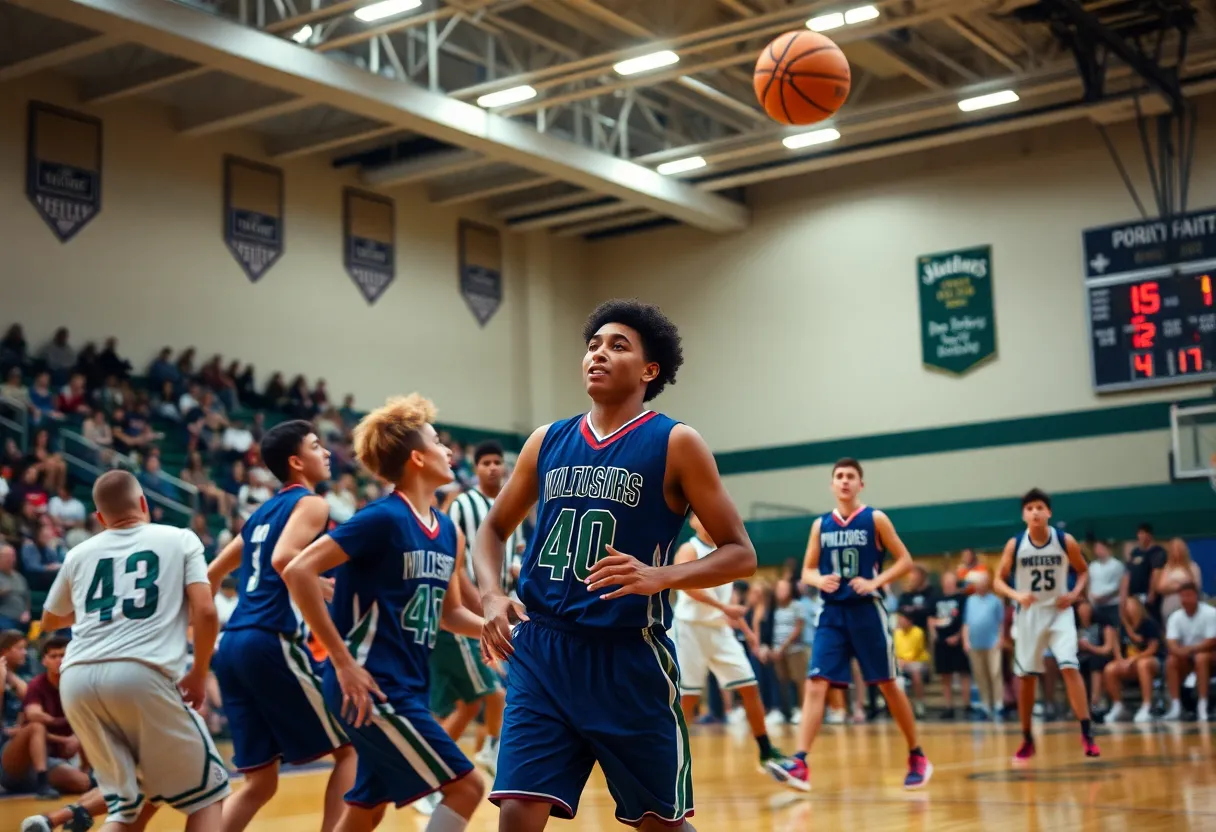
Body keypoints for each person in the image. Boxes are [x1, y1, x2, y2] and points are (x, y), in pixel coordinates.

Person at [476, 300, 758, 831]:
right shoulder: (547, 440)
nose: (598, 354)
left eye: (617, 346)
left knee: (660, 824)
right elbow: (491, 530)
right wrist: (491, 594)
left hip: (628, 657)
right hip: (543, 648)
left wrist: (662, 575)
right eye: (592, 345)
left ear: (651, 370)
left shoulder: (676, 442)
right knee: (517, 812)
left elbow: (740, 552)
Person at [282, 394, 487, 832]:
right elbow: (299, 570)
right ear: (417, 458)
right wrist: (341, 662)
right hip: (371, 684)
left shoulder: (447, 530)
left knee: (365, 811)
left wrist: (500, 631)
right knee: (468, 788)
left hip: (406, 685)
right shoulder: (381, 519)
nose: (450, 451)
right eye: (438, 442)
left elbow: (450, 615)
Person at [34, 470, 229, 831]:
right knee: (211, 791)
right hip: (139, 672)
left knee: (129, 805)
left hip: (76, 680)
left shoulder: (78, 553)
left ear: (99, 518)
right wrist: (200, 672)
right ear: (144, 504)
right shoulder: (180, 538)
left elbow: (49, 621)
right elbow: (205, 610)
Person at [206, 420, 355, 832]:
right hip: (269, 637)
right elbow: (284, 558)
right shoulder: (312, 504)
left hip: (232, 644)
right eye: (316, 446)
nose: (326, 452)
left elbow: (213, 573)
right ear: (296, 462)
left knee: (260, 781)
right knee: (352, 746)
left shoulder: (260, 515)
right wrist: (324, 589)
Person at [767, 458, 930, 792]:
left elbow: (905, 561)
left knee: (888, 684)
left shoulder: (875, 519)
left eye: (850, 477)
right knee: (816, 683)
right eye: (839, 476)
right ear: (832, 485)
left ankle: (917, 754)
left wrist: (875, 581)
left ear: (860, 485)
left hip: (867, 611)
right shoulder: (821, 525)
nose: (844, 481)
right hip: (832, 614)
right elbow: (807, 571)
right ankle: (800, 762)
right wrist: (818, 578)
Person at [428, 441, 522, 782]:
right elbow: (455, 563)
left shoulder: (511, 504)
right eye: (486, 462)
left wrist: (517, 570)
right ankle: (484, 751)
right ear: (476, 467)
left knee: (483, 696)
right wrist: (480, 604)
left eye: (498, 461)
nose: (493, 467)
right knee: (490, 692)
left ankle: (487, 749)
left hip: (500, 605)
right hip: (466, 607)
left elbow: (514, 549)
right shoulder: (461, 505)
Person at [671, 513, 790, 771]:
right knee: (689, 697)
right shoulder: (689, 548)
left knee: (749, 686)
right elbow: (685, 585)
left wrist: (747, 631)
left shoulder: (724, 551)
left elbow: (729, 602)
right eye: (701, 516)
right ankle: (672, 757)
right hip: (691, 629)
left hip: (720, 631)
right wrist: (723, 607)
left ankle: (766, 751)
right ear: (693, 522)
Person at [994, 488, 1099, 762]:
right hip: (1029, 614)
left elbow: (1084, 570)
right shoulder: (1014, 544)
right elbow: (998, 580)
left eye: (1040, 507)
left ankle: (1087, 731)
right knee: (1027, 678)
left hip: (1058, 611)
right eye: (1029, 508)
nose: (1035, 512)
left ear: (1049, 512)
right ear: (1023, 515)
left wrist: (1075, 595)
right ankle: (1027, 736)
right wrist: (1017, 595)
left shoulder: (1065, 541)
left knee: (1068, 666)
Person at [1103, 595, 1162, 723]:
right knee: (1110, 669)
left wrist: (1134, 659)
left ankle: (1147, 706)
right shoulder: (1121, 626)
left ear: (1138, 607)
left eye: (1131, 605)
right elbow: (1116, 647)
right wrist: (1120, 660)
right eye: (1126, 606)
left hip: (1151, 662)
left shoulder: (1149, 623)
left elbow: (1153, 649)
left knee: (1143, 664)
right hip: (1130, 664)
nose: (1128, 608)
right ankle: (1118, 706)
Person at [1162, 582, 1215, 722]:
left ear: (1196, 596)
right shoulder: (1175, 617)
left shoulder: (1210, 613)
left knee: (1201, 659)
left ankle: (1202, 704)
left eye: (1188, 595)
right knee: (1171, 661)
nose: (1185, 599)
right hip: (1186, 656)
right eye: (1182, 596)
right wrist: (1180, 652)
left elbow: (1211, 641)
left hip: (1209, 655)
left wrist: (1190, 650)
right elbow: (1171, 643)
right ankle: (1176, 706)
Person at [962, 572, 1006, 718]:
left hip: (992, 642)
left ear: (988, 584)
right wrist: (966, 641)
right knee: (980, 675)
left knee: (995, 673)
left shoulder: (996, 601)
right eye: (978, 583)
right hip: (975, 644)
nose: (980, 586)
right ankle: (986, 704)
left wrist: (1001, 638)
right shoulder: (970, 601)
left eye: (983, 583)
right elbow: (966, 623)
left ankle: (998, 704)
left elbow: (1001, 622)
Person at [930, 571, 970, 719]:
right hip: (942, 642)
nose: (948, 583)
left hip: (959, 641)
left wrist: (958, 636)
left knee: (964, 673)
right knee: (945, 676)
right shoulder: (936, 599)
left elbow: (966, 619)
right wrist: (936, 636)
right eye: (946, 580)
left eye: (951, 580)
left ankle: (967, 706)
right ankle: (948, 707)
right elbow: (931, 618)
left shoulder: (962, 599)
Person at [1075, 599, 1118, 714]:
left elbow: (1107, 649)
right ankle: (1077, 704)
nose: (1084, 613)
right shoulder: (1074, 627)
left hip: (1100, 655)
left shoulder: (1103, 625)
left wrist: (1089, 647)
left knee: (1095, 661)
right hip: (1080, 657)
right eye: (1081, 610)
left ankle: (1096, 701)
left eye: (1086, 609)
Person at [893, 613, 929, 713]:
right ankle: (896, 704)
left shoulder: (918, 632)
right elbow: (894, 650)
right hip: (900, 662)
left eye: (902, 619)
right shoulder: (896, 633)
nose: (900, 622)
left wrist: (904, 661)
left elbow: (916, 651)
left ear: (909, 621)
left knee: (915, 672)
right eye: (899, 619)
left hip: (917, 661)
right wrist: (898, 660)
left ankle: (919, 703)